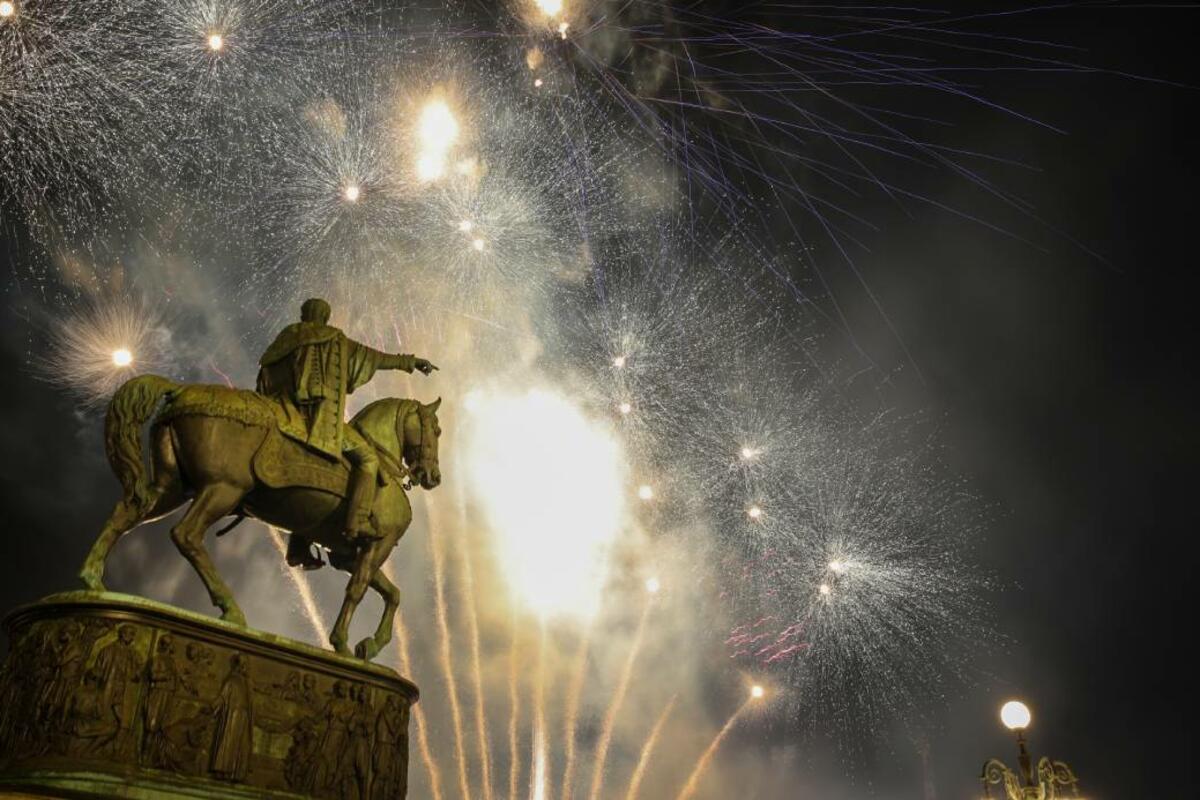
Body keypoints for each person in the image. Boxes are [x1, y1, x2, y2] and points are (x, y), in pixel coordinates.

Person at [257, 298, 437, 569]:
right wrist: (411, 362)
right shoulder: (332, 339)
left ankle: (299, 545)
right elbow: (376, 358)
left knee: (311, 477)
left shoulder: (282, 342)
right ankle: (357, 521)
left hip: (280, 413)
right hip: (315, 420)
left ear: (304, 315)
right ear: (324, 317)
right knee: (368, 460)